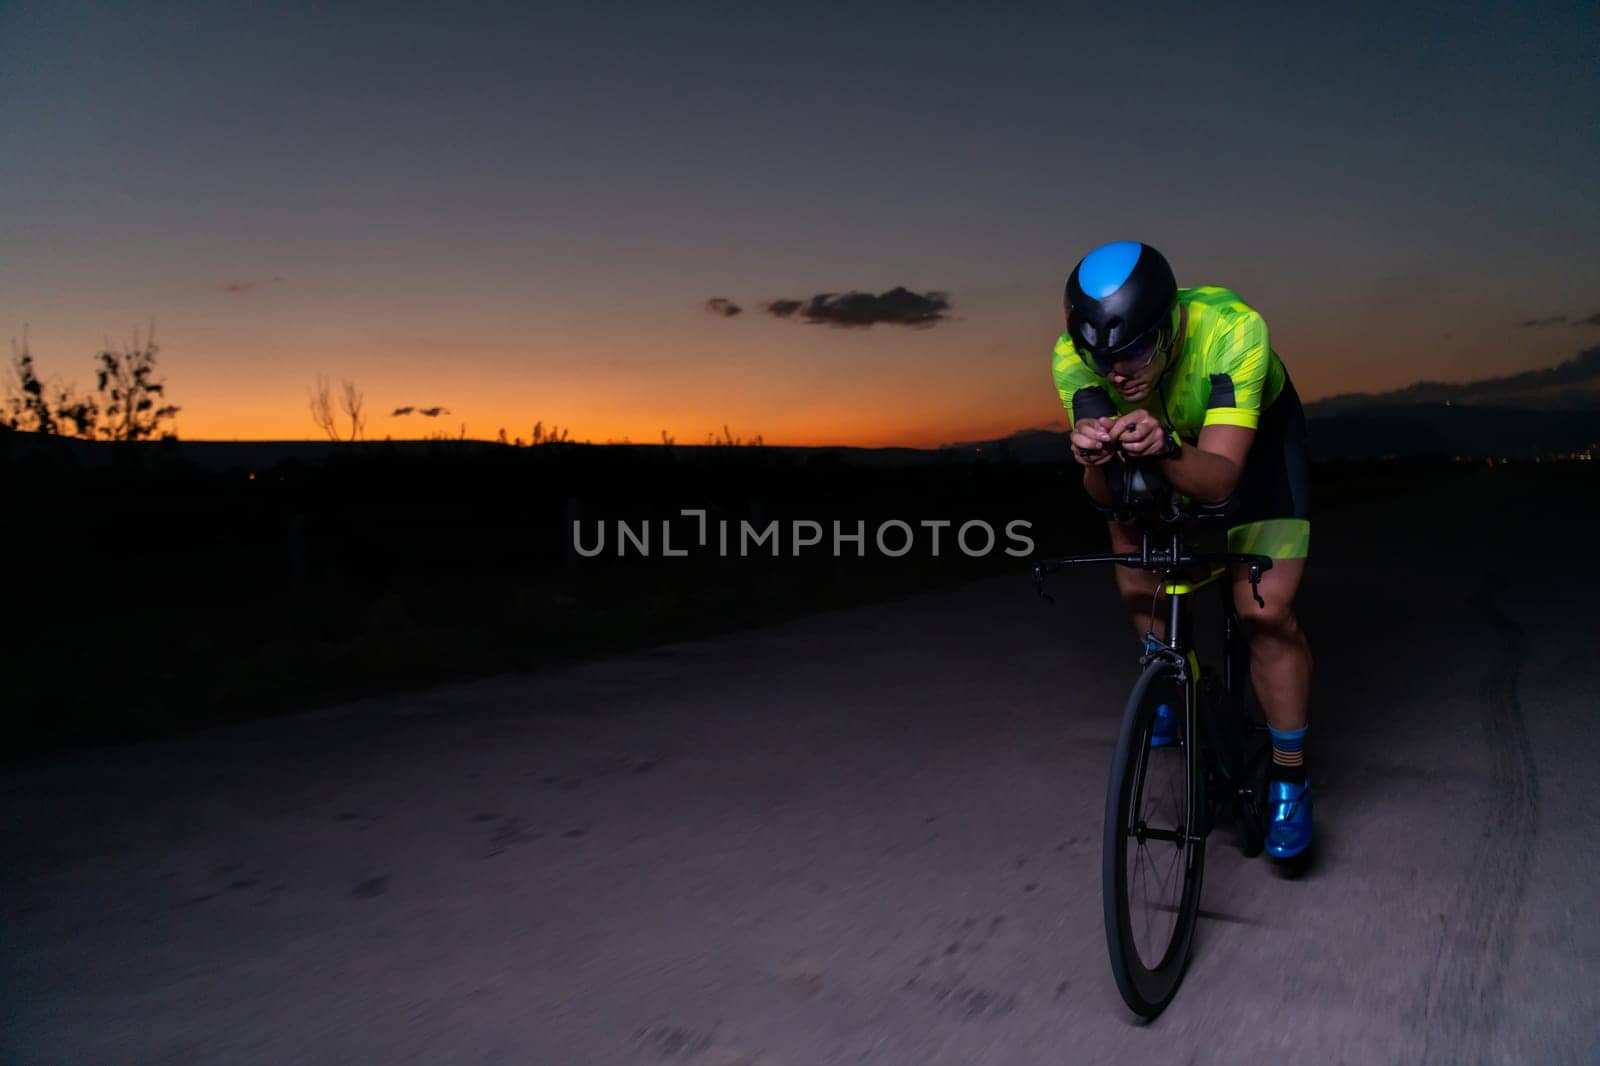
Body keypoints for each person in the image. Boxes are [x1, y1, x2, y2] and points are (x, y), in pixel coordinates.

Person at [1051, 240, 1314, 859]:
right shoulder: (1072, 357)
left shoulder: (1233, 329)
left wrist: (1167, 447)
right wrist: (1092, 460)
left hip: (1253, 456)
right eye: (1102, 357)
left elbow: (1222, 479)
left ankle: (1290, 779)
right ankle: (1170, 676)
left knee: (1265, 615)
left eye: (1136, 350)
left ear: (1170, 323)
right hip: (1158, 447)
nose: (1117, 373)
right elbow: (1104, 497)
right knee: (1133, 544)